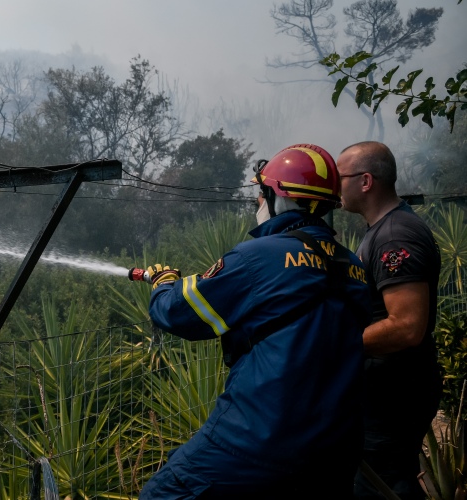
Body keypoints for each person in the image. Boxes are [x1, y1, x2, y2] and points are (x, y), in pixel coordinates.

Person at [139, 144, 372, 499]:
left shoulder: (259, 257)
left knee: (164, 493)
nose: (258, 204)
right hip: (336, 446)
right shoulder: (353, 267)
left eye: (261, 195)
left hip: (258, 438)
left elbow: (178, 314)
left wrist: (163, 282)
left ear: (279, 197)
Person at [337, 141, 442, 500]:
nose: (336, 186)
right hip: (390, 391)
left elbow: (407, 325)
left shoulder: (394, 236)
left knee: (381, 485)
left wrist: (336, 341)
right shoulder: (382, 230)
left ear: (365, 181)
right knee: (386, 480)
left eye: (341, 178)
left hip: (395, 395)